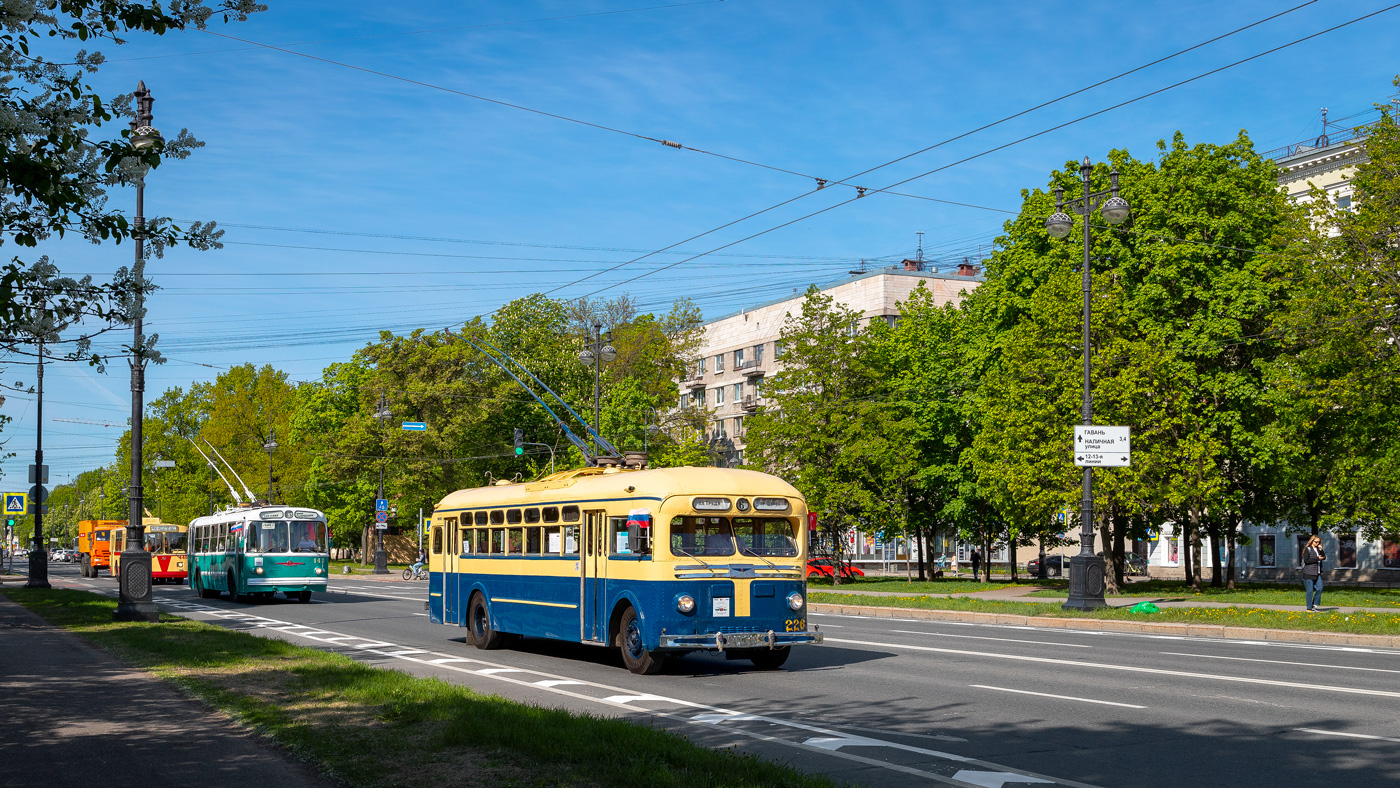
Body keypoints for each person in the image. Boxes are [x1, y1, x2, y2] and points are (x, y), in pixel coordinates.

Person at [1302, 534, 1326, 611]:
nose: (1317, 544)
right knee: (1310, 591)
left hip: (1317, 573)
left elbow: (1324, 557)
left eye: (1319, 542)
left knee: (1320, 588)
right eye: (1316, 542)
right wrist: (1317, 558)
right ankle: (1309, 608)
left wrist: (1321, 550)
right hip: (1309, 573)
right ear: (1312, 541)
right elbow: (1306, 561)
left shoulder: (1318, 549)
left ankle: (1314, 604)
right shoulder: (1307, 549)